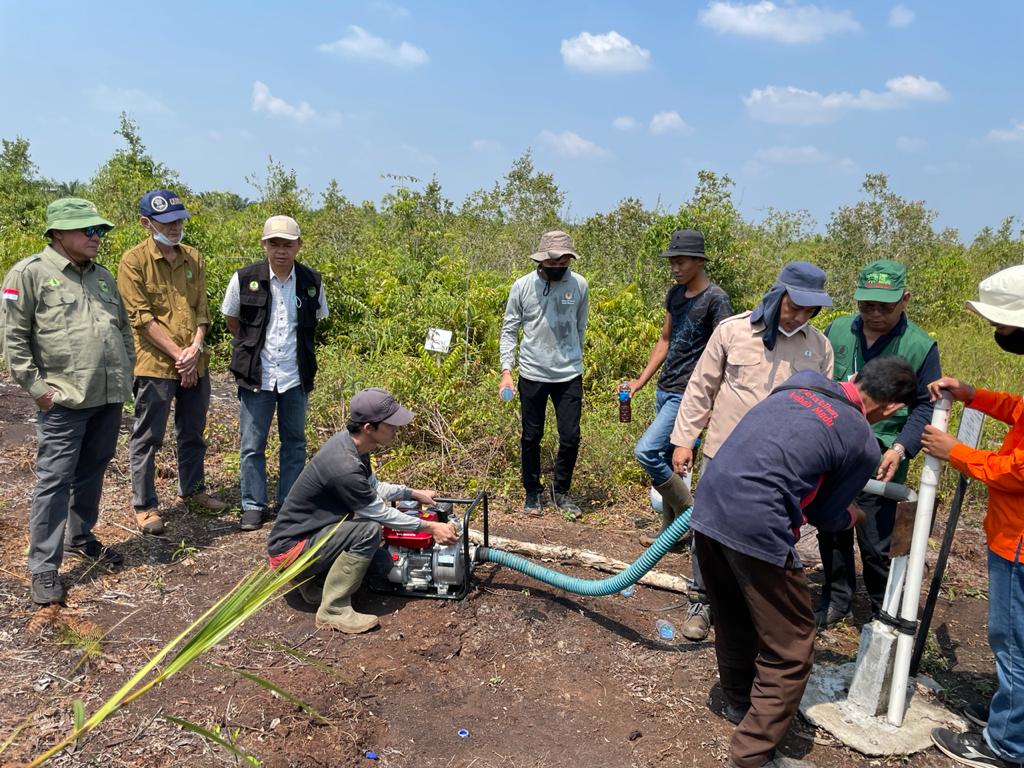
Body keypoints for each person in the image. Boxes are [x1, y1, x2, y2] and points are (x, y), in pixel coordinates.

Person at [692, 357, 917, 768]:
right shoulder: (862, 441)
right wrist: (855, 515)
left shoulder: (801, 384)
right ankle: (753, 756)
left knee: (733, 613)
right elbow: (827, 516)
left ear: (856, 378)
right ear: (890, 409)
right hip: (758, 524)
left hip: (708, 506)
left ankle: (739, 702)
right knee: (792, 647)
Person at [669, 262, 835, 641]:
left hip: (783, 464)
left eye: (810, 309)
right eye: (795, 305)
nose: (801, 315)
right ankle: (702, 601)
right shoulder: (733, 331)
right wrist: (684, 439)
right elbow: (701, 387)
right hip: (724, 452)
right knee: (707, 529)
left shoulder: (818, 347)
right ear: (777, 295)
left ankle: (753, 606)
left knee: (774, 535)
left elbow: (823, 409)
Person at [0, 198, 135, 605]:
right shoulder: (29, 274)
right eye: (88, 230)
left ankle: (81, 536)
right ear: (59, 233)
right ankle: (43, 565)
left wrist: (125, 373)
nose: (97, 237)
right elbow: (14, 340)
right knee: (54, 481)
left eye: (100, 231)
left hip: (107, 397)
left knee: (92, 470)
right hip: (63, 402)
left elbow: (123, 331)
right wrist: (39, 390)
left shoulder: (103, 277)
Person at [926, 265, 1024, 768]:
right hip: (1013, 533)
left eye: (1004, 327)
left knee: (1013, 642)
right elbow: (1020, 409)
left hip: (1021, 542)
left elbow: (1018, 471)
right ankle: (1012, 714)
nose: (999, 335)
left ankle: (1007, 745)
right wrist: (973, 395)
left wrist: (954, 451)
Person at [266, 388, 457, 633]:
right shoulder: (344, 464)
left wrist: (411, 493)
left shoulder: (353, 446)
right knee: (369, 531)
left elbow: (374, 488)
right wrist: (430, 527)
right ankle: (332, 610)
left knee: (381, 564)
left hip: (307, 538)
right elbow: (378, 513)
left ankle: (314, 583)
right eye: (391, 425)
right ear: (369, 427)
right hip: (291, 551)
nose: (396, 429)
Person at [816, 259, 940, 627]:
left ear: (905, 299)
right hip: (834, 451)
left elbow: (924, 408)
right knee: (831, 527)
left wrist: (900, 447)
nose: (874, 313)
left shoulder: (919, 346)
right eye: (866, 304)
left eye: (884, 306)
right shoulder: (837, 331)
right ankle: (836, 596)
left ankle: (882, 610)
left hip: (882, 456)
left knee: (875, 543)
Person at [118, 190, 226, 536]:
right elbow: (141, 319)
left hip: (194, 361)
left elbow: (202, 311)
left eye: (179, 220)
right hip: (155, 365)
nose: (175, 227)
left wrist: (194, 349)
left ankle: (193, 491)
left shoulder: (193, 257)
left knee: (192, 432)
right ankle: (145, 506)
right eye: (167, 222)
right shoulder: (133, 261)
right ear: (146, 223)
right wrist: (180, 356)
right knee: (148, 437)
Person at [222, 215, 328, 531]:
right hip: (258, 375)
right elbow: (232, 319)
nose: (281, 250)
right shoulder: (244, 278)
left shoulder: (312, 282)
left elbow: (316, 323)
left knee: (294, 443)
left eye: (288, 244)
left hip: (295, 376)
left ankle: (288, 505)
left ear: (299, 246)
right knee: (252, 445)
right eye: (275, 243)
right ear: (264, 244)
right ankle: (253, 505)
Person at [627, 229, 732, 545]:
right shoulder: (675, 295)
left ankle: (689, 513)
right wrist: (640, 381)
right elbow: (665, 340)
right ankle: (670, 537)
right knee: (672, 463)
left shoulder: (717, 299)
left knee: (646, 452)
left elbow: (725, 352)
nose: (675, 268)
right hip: (665, 388)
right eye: (671, 262)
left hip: (691, 394)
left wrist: (714, 402)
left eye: (681, 262)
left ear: (699, 261)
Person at [499, 230, 589, 518]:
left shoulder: (579, 285)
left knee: (571, 437)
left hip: (568, 374)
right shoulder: (523, 286)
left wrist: (576, 361)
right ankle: (532, 491)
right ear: (541, 261)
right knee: (531, 436)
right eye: (553, 262)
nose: (559, 266)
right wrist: (506, 371)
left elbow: (580, 328)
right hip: (532, 372)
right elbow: (509, 330)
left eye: (564, 261)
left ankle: (561, 491)